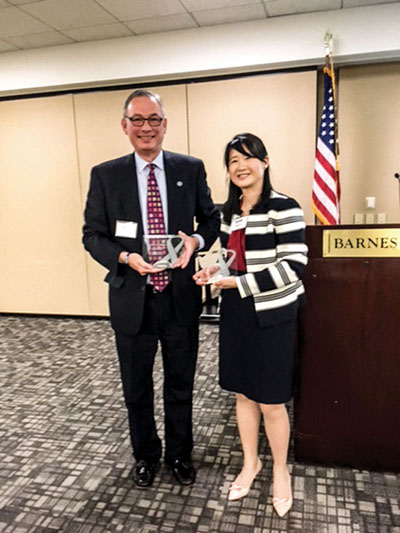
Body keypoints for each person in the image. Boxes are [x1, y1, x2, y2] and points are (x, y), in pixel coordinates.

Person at [82, 89, 219, 488]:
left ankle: (179, 455)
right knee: (136, 388)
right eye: (137, 120)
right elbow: (93, 236)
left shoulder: (189, 169)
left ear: (165, 124)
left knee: (180, 383)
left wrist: (194, 241)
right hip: (132, 300)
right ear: (124, 126)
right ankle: (146, 456)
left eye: (153, 119)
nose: (146, 128)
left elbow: (211, 220)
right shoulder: (105, 175)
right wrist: (125, 259)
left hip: (178, 298)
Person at [194, 133, 307, 517]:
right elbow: (231, 258)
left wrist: (237, 282)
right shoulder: (230, 210)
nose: (240, 166)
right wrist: (215, 269)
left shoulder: (284, 207)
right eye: (232, 161)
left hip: (272, 314)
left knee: (272, 401)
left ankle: (279, 470)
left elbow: (293, 267)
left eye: (248, 158)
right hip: (237, 313)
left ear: (265, 161)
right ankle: (250, 463)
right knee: (243, 394)